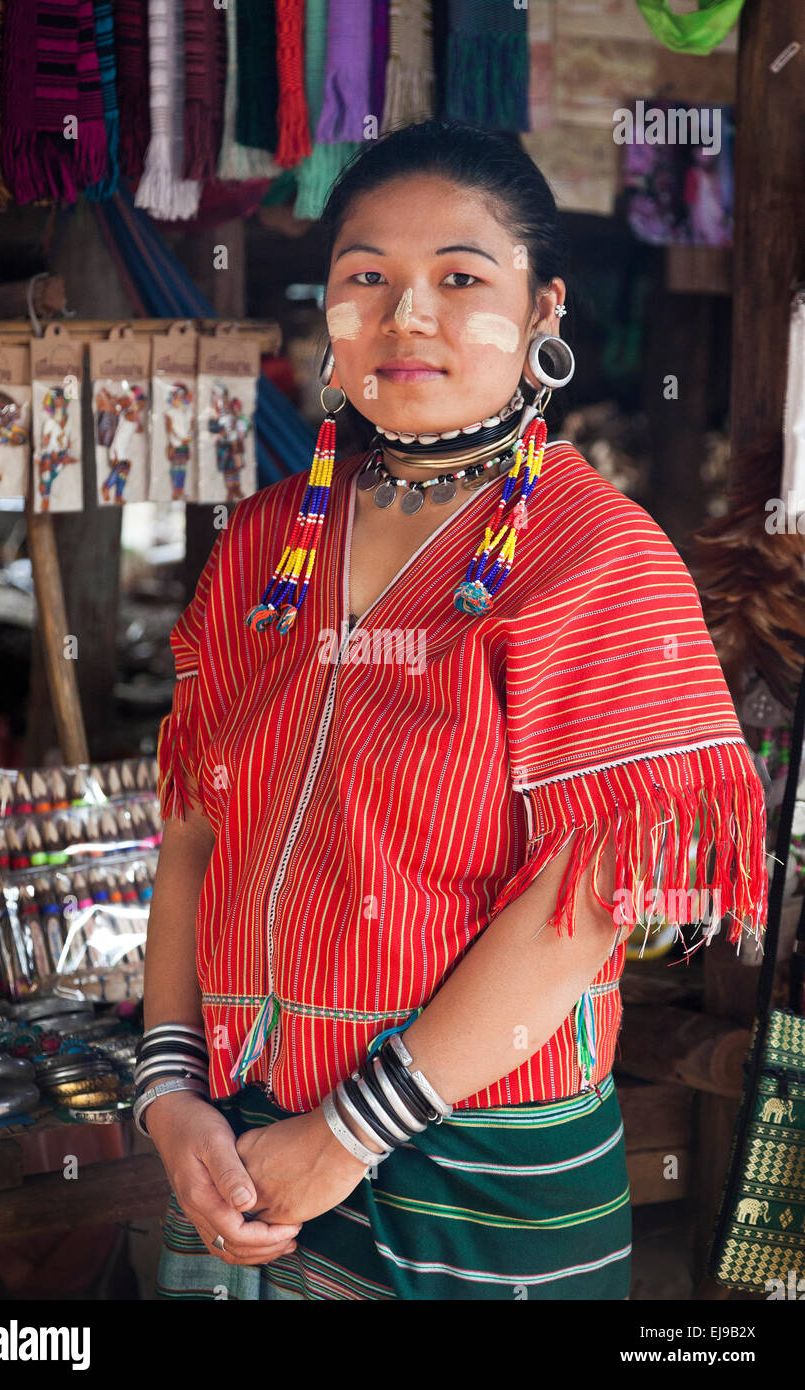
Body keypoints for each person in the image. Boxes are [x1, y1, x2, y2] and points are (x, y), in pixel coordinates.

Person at [141, 121, 768, 1301]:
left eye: (460, 278)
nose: (405, 314)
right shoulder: (266, 545)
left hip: (476, 1169)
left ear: (544, 312)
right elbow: (193, 831)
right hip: (238, 1147)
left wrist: (340, 1137)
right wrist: (170, 1095)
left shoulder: (593, 556)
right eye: (364, 276)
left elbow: (580, 908)